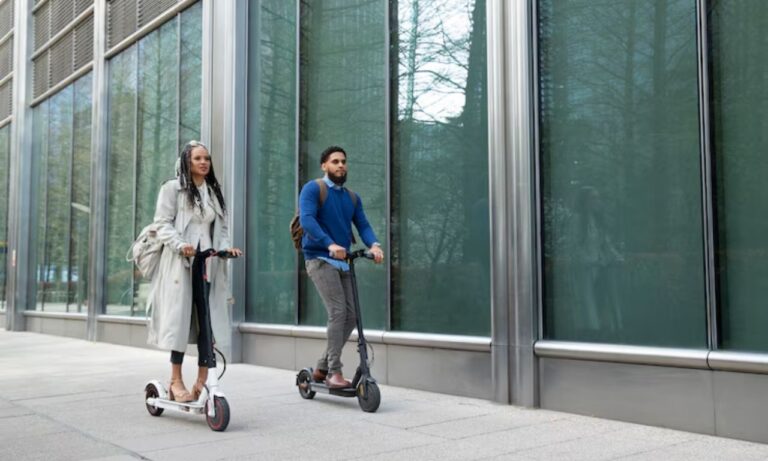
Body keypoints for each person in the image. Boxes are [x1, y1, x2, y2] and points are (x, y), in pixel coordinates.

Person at [146, 140, 242, 402]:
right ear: (187, 161)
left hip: (207, 264)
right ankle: (175, 380)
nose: (204, 163)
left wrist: (225, 250)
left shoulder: (213, 192)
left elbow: (221, 228)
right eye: (198, 158)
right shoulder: (172, 189)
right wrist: (180, 245)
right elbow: (161, 224)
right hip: (181, 263)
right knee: (180, 321)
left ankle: (202, 380)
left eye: (207, 159)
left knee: (206, 322)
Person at [299, 145, 385, 389]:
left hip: (343, 262)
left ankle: (322, 366)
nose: (340, 165)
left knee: (352, 315)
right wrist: (329, 244)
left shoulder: (351, 197)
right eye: (335, 161)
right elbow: (307, 220)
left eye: (343, 161)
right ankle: (333, 372)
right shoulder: (313, 188)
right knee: (338, 312)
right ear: (324, 165)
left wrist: (375, 245)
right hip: (319, 259)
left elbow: (363, 225)